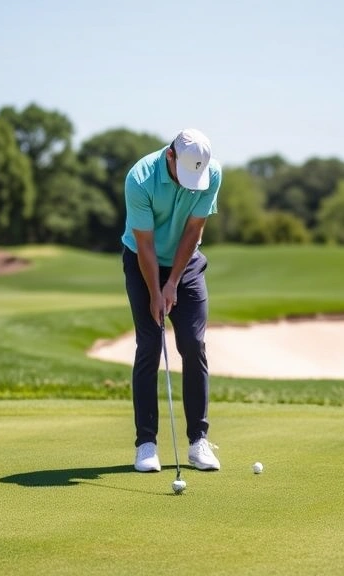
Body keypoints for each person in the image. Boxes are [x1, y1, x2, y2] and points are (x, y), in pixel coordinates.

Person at [120, 128, 222, 473]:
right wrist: (156, 292)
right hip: (143, 260)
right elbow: (145, 244)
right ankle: (146, 444)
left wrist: (174, 282)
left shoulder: (212, 173)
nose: (188, 184)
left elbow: (194, 231)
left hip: (186, 261)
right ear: (170, 156)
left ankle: (198, 441)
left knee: (193, 343)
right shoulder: (140, 178)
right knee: (150, 345)